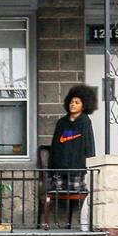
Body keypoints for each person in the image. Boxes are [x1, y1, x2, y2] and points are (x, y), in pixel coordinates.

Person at [41, 86, 98, 226]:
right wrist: (52, 168)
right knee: (57, 193)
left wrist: (91, 160)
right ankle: (54, 224)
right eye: (72, 102)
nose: (73, 104)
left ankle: (78, 223)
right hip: (60, 168)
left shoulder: (85, 121)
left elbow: (89, 142)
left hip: (77, 168)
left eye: (77, 102)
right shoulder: (62, 123)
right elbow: (55, 146)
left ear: (84, 105)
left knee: (77, 195)